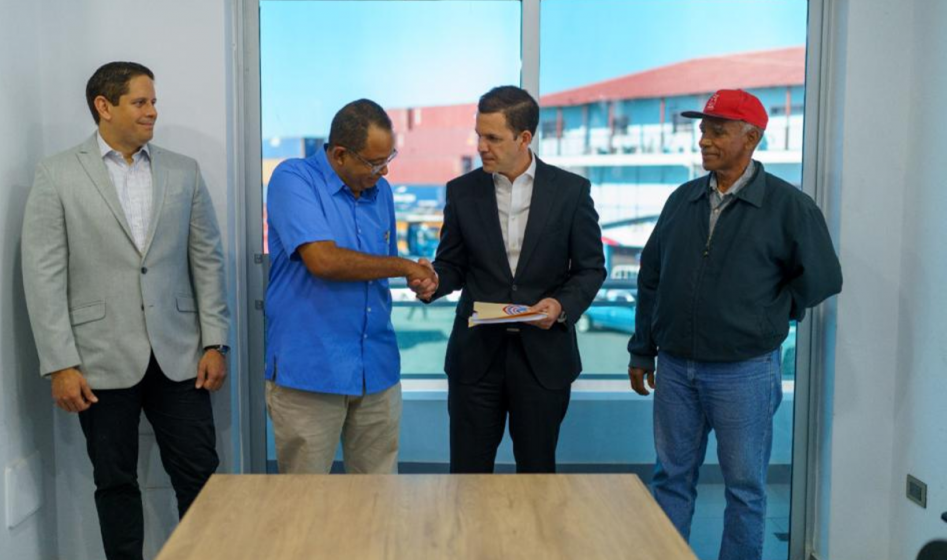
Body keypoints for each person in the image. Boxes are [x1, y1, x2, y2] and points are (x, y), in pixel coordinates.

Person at [22, 62, 229, 560]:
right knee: (114, 483)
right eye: (140, 102)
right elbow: (43, 275)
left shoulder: (183, 170)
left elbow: (207, 259)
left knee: (201, 477)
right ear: (104, 106)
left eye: (153, 101)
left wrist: (215, 341)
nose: (152, 111)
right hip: (98, 358)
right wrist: (61, 364)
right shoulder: (57, 174)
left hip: (180, 355)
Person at [627, 89, 843, 560]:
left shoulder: (789, 207)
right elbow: (651, 276)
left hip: (744, 372)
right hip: (675, 369)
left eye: (718, 131)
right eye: (703, 129)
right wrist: (642, 348)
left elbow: (824, 278)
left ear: (752, 138)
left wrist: (769, 313)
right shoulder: (682, 199)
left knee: (744, 489)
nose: (704, 140)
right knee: (670, 478)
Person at [422, 86, 606, 473]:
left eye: (492, 138)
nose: (481, 147)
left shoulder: (571, 192)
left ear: (524, 138)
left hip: (543, 359)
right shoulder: (461, 192)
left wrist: (561, 305)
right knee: (467, 476)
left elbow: (590, 268)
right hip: (475, 359)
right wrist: (434, 281)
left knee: (537, 474)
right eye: (479, 135)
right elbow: (452, 265)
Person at [264, 99, 437, 474]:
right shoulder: (293, 179)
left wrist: (417, 277)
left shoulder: (381, 192)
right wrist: (403, 266)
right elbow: (323, 260)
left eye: (388, 158)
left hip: (376, 368)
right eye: (374, 163)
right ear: (340, 154)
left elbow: (381, 266)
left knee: (379, 495)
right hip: (311, 370)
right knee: (305, 499)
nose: (384, 170)